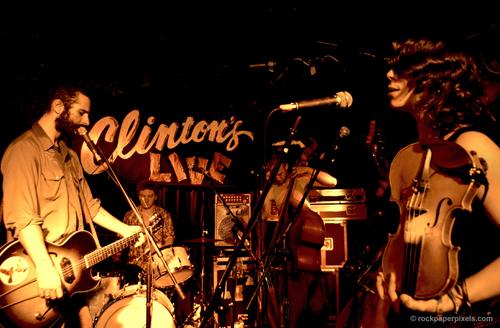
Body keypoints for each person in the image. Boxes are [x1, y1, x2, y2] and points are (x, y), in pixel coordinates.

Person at [375, 38, 500, 326]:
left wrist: (457, 297)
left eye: (402, 68)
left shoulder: (472, 146)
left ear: (436, 78)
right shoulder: (414, 154)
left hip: (466, 317)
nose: (389, 75)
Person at [0, 82, 143, 328]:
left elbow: (90, 206)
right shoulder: (24, 150)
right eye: (81, 112)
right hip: (39, 274)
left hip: (71, 274)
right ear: (58, 107)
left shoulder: (70, 156)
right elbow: (23, 219)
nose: (87, 121)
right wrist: (45, 268)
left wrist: (125, 230)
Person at [259, 149, 337, 328]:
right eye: (272, 174)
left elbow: (333, 182)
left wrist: (309, 171)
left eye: (279, 173)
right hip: (292, 257)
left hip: (306, 245)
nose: (277, 178)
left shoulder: (301, 178)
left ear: (286, 167)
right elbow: (263, 216)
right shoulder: (271, 189)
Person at [121, 180, 175, 275]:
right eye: (142, 196)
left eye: (150, 196)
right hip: (133, 265)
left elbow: (169, 240)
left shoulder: (164, 215)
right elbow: (121, 241)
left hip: (157, 265)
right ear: (138, 196)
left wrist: (159, 248)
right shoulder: (129, 215)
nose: (146, 200)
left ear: (156, 197)